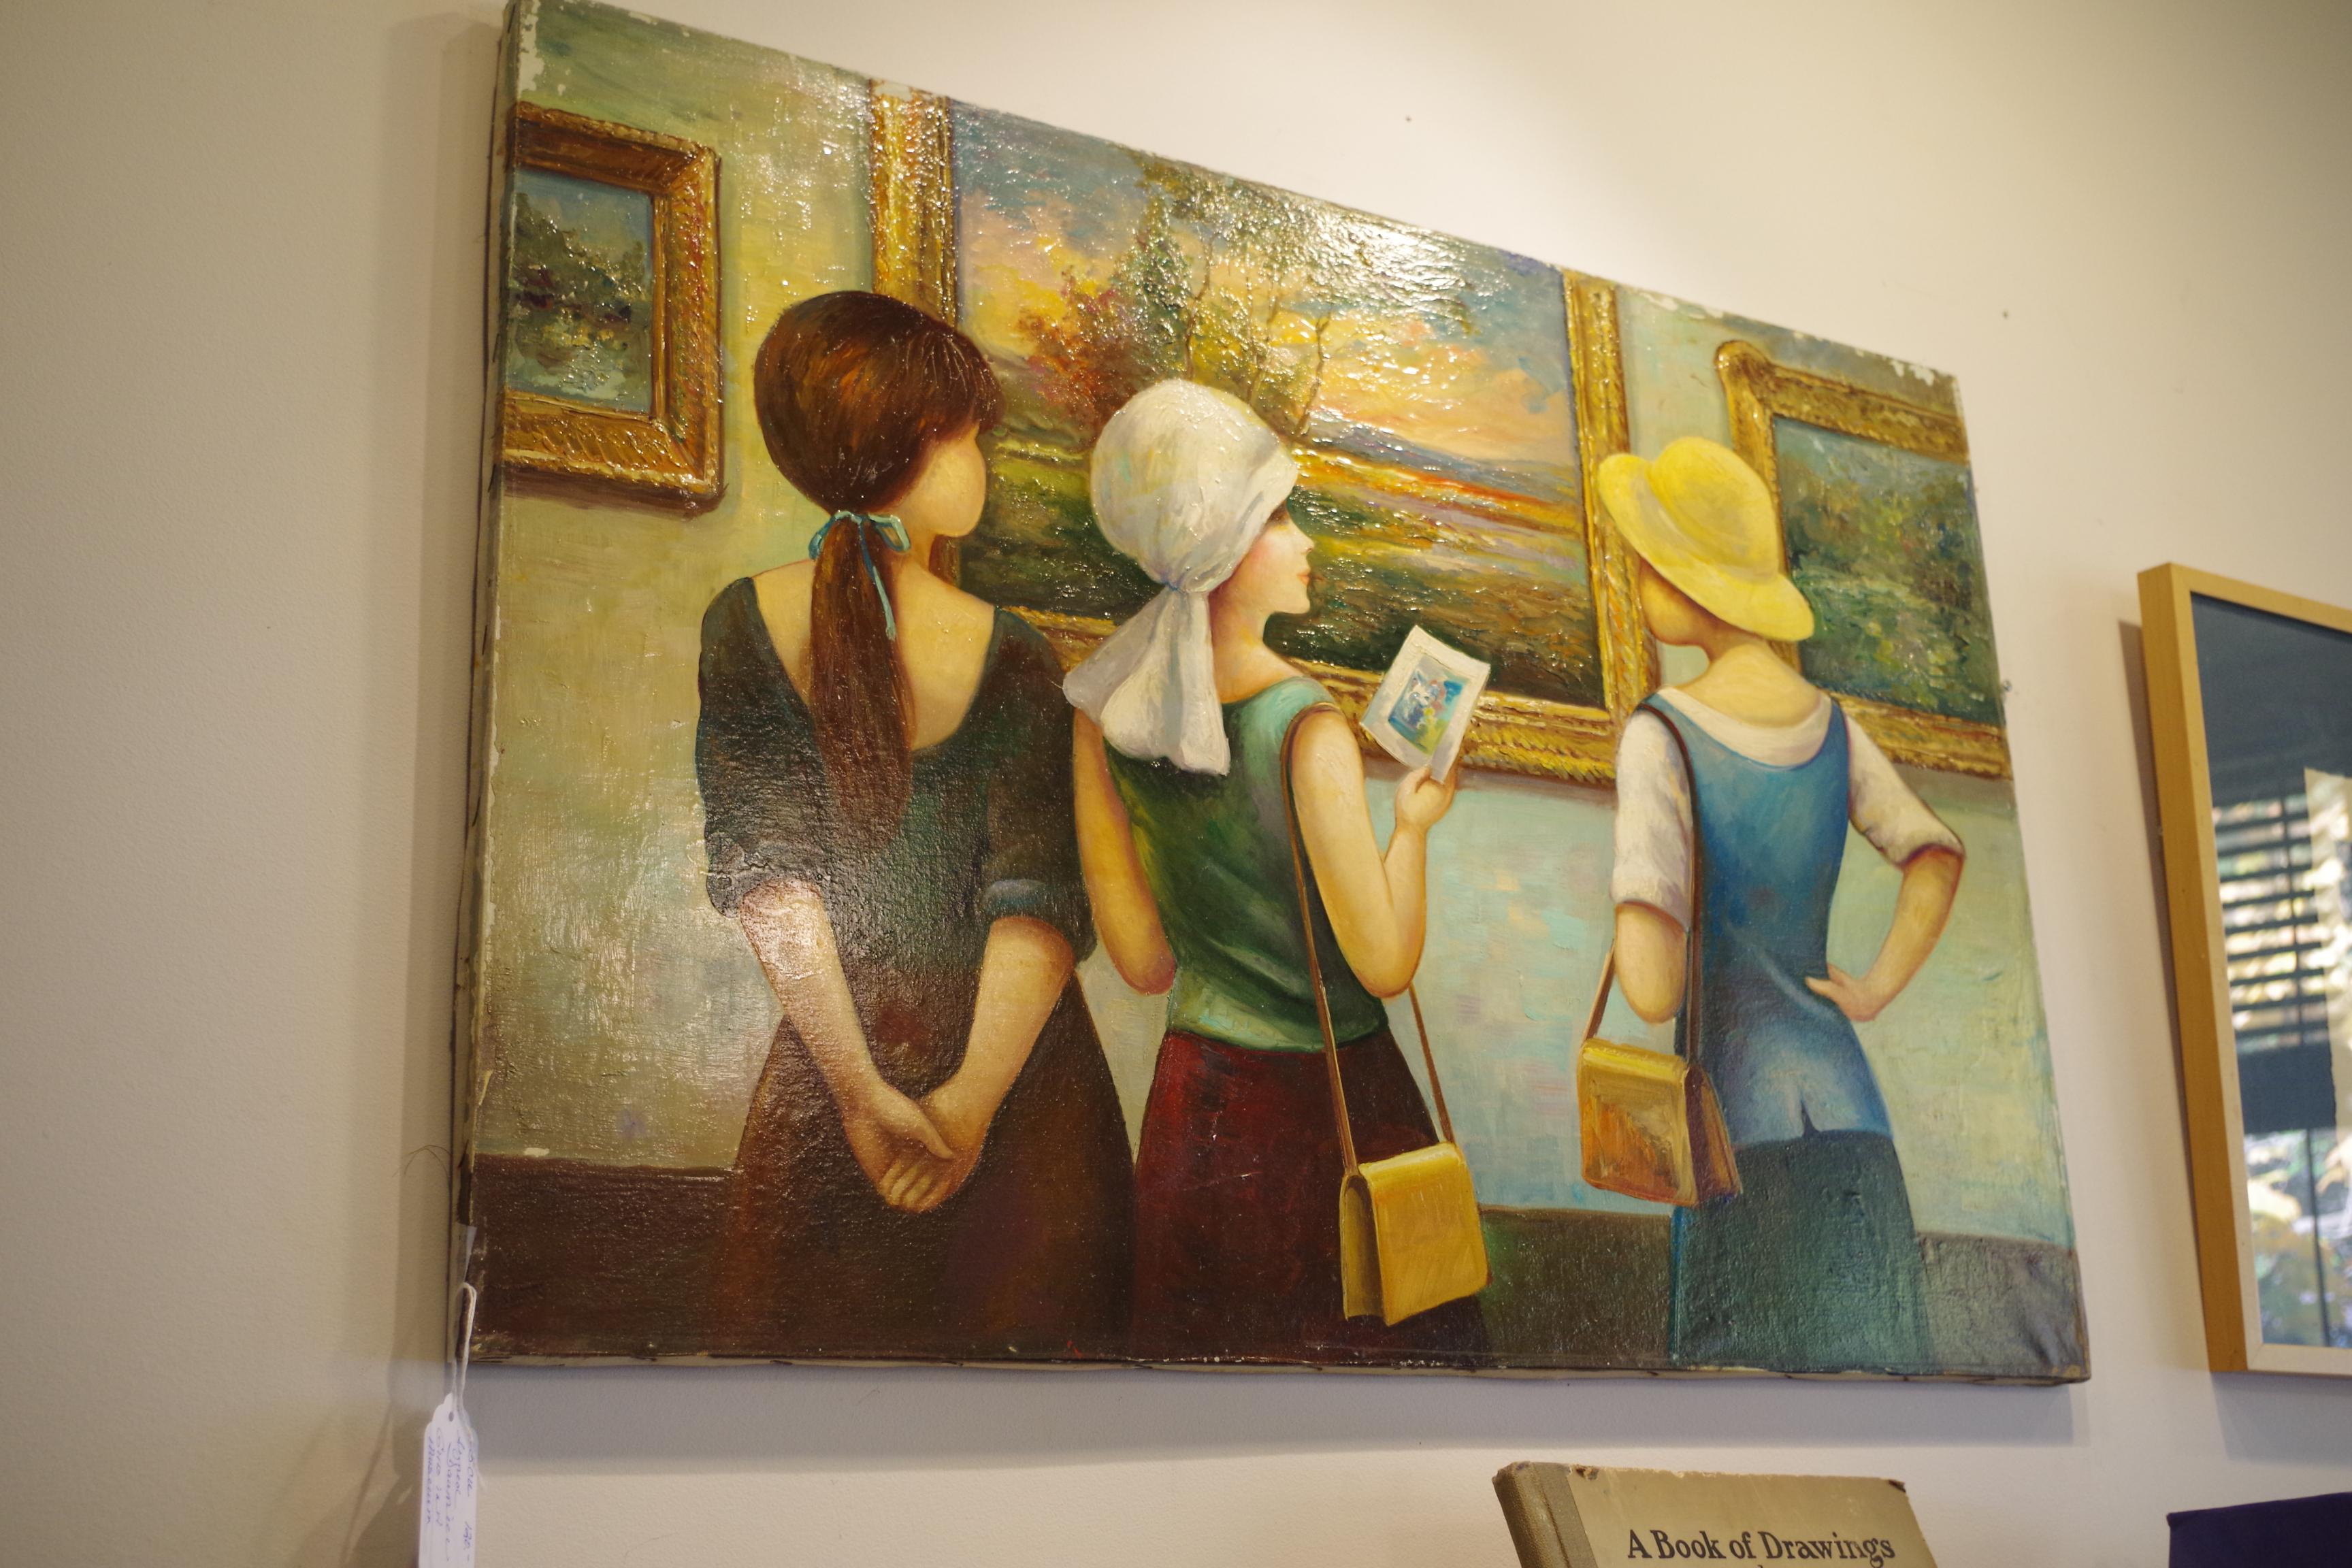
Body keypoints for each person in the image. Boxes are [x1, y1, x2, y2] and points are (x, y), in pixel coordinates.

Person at [696, 291, 1133, 1360]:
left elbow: (772, 882)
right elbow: (1036, 906)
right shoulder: (1014, 651)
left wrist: (858, 1095)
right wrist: (969, 1107)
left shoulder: (744, 620)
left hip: (835, 1068)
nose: (981, 460)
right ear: (918, 441)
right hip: (1026, 1095)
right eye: (971, 435)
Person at [1067, 379, 1487, 1365]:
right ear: (1221, 544)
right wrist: (1414, 828)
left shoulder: (1098, 717)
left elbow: (1144, 964)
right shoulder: (1305, 724)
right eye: (1281, 518)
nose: (1306, 544)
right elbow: (1384, 964)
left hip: (1196, 1119)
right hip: (1334, 1118)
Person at [1597, 435, 1964, 1373]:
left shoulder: (1659, 734)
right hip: (1856, 1132)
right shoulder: (1834, 725)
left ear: (1689, 584)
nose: (1639, 574)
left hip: (1735, 1140)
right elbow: (1935, 854)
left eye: (1650, 559)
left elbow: (1650, 990)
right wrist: (1872, 991)